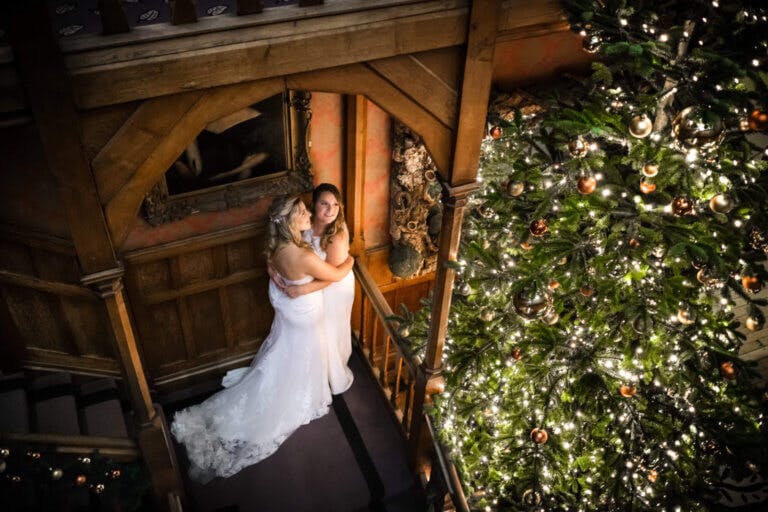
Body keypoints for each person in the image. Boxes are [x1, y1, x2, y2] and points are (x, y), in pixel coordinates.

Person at [170, 195, 354, 483]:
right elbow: (336, 274)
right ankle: (298, 391)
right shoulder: (302, 255)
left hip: (285, 305)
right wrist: (351, 260)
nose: (309, 215)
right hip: (303, 312)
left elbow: (272, 262)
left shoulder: (279, 245)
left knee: (288, 348)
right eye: (304, 212)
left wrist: (285, 281)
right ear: (291, 220)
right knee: (306, 351)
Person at [277, 184, 355, 395]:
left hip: (335, 287)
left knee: (330, 329)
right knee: (316, 332)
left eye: (335, 205)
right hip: (316, 281)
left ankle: (332, 374)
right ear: (314, 204)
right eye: (324, 204)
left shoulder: (336, 236)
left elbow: (333, 276)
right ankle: (314, 373)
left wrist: (303, 290)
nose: (330, 210)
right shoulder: (304, 222)